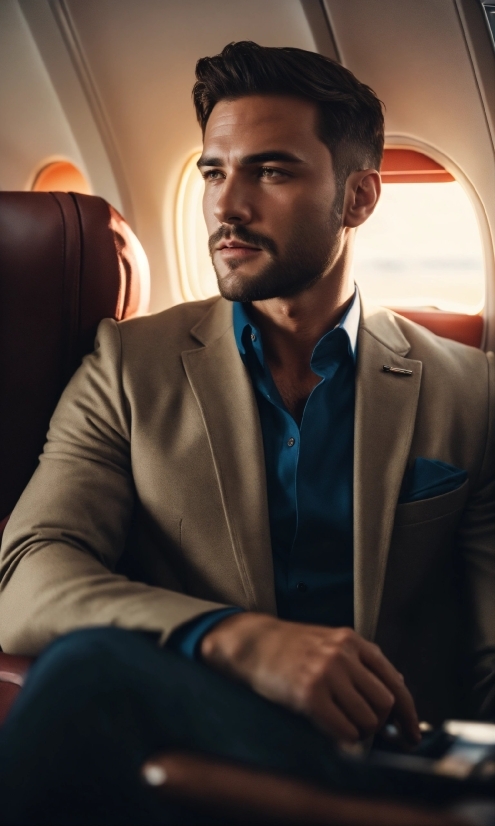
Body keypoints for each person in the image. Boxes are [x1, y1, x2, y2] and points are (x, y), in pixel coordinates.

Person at [0, 41, 493, 824]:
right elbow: (28, 574)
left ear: (358, 198)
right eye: (211, 172)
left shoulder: (471, 391)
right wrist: (234, 638)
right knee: (87, 671)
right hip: (214, 729)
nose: (227, 206)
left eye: (270, 171)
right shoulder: (129, 365)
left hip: (391, 754)